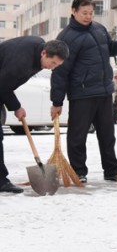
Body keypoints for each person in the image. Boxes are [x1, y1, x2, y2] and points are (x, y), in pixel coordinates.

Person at [50, 0, 117, 184]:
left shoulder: (99, 29)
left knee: (107, 135)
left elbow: (110, 49)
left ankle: (112, 170)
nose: (88, 16)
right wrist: (56, 101)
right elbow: (60, 71)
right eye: (84, 13)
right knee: (77, 136)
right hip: (82, 94)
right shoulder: (66, 38)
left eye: (91, 13)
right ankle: (78, 171)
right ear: (73, 11)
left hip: (104, 91)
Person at [0, 37, 69, 193]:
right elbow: (3, 84)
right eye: (53, 63)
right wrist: (16, 107)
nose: (53, 68)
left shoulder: (39, 50)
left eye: (57, 65)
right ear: (44, 53)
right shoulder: (22, 61)